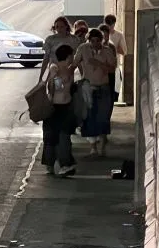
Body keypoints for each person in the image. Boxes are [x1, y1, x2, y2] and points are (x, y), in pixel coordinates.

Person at [76, 28, 117, 156]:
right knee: (89, 117)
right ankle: (93, 146)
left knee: (103, 117)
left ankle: (102, 144)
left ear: (101, 40)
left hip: (103, 87)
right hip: (88, 87)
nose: (95, 43)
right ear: (89, 40)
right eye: (92, 41)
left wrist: (98, 63)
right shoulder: (83, 49)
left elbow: (112, 69)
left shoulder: (107, 51)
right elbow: (74, 63)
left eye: (97, 41)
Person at [41, 44, 78, 177]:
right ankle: (62, 164)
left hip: (64, 106)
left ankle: (52, 164)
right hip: (56, 106)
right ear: (68, 56)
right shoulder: (55, 68)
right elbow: (55, 86)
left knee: (56, 136)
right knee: (60, 136)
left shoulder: (68, 69)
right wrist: (58, 80)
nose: (72, 57)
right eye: (72, 55)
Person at [104, 14, 127, 103]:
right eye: (108, 25)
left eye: (111, 25)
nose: (110, 27)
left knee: (113, 93)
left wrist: (113, 47)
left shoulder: (119, 35)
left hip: (114, 67)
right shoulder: (100, 34)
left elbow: (124, 51)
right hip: (101, 67)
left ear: (114, 24)